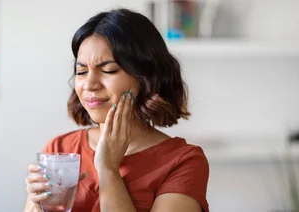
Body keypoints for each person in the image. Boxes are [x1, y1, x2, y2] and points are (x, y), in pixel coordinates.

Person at [24, 8, 209, 212]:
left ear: (146, 77)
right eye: (82, 71)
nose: (89, 84)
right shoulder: (60, 149)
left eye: (108, 70)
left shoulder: (183, 162)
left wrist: (108, 169)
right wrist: (36, 204)